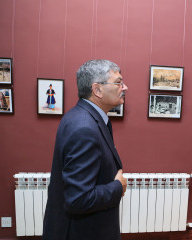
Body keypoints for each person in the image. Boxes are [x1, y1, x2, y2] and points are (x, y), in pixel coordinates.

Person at [43, 59, 128, 240]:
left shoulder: (89, 118)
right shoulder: (84, 127)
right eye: (118, 82)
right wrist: (117, 187)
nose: (124, 87)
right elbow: (78, 199)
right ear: (97, 90)